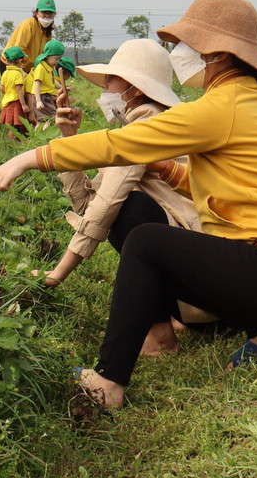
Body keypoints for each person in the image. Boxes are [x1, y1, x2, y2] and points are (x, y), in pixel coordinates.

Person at [0, 0, 257, 409]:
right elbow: (229, 189)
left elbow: (120, 144)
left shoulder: (221, 106)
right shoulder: (250, 100)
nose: (179, 53)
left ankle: (109, 381)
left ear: (218, 54)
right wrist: (170, 171)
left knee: (147, 242)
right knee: (156, 235)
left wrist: (33, 156)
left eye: (187, 45)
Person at [32, 39, 205, 354]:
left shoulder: (149, 124)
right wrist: (68, 138)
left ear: (135, 88)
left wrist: (58, 273)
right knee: (128, 211)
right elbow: (88, 204)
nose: (106, 86)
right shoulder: (138, 122)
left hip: (199, 269)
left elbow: (105, 207)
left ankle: (160, 338)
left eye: (112, 79)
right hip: (193, 266)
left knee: (130, 211)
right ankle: (173, 314)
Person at [0, 0, 56, 72]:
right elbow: (19, 49)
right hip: (11, 63)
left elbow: (45, 55)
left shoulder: (48, 33)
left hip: (29, 68)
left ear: (54, 14)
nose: (47, 15)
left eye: (50, 13)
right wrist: (20, 70)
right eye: (44, 12)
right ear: (36, 13)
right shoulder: (28, 25)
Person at [26, 40, 66, 128]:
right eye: (56, 59)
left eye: (59, 59)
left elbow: (52, 83)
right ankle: (46, 138)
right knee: (50, 119)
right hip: (42, 97)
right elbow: (37, 84)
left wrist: (63, 87)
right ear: (47, 56)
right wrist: (38, 101)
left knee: (41, 121)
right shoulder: (41, 68)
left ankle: (35, 139)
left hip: (46, 97)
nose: (58, 61)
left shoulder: (50, 68)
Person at [0, 46, 29, 139]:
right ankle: (13, 144)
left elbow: (2, 88)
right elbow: (19, 90)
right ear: (20, 60)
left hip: (7, 102)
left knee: (11, 125)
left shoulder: (5, 73)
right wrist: (24, 104)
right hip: (16, 103)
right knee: (15, 126)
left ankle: (13, 143)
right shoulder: (17, 74)